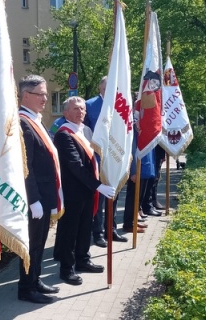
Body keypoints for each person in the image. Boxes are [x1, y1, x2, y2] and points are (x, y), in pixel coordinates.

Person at [53, 96, 115, 286]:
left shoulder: (86, 130)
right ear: (65, 113)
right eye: (75, 109)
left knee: (85, 228)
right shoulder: (64, 134)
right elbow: (75, 166)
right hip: (73, 192)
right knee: (69, 231)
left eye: (82, 109)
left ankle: (83, 260)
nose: (80, 112)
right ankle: (67, 269)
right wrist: (99, 186)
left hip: (87, 190)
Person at [17, 74, 62, 304]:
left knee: (41, 241)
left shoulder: (36, 119)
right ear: (26, 96)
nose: (45, 98)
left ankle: (35, 281)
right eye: (41, 94)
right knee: (33, 243)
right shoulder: (23, 122)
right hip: (35, 197)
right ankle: (26, 288)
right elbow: (26, 165)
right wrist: (33, 198)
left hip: (44, 194)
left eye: (46, 93)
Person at [84, 76, 128, 247]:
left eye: (113, 90)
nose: (110, 93)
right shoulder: (89, 105)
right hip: (97, 159)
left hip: (116, 157)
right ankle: (98, 232)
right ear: (99, 89)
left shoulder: (121, 107)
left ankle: (112, 229)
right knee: (100, 198)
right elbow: (85, 132)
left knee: (114, 195)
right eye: (106, 89)